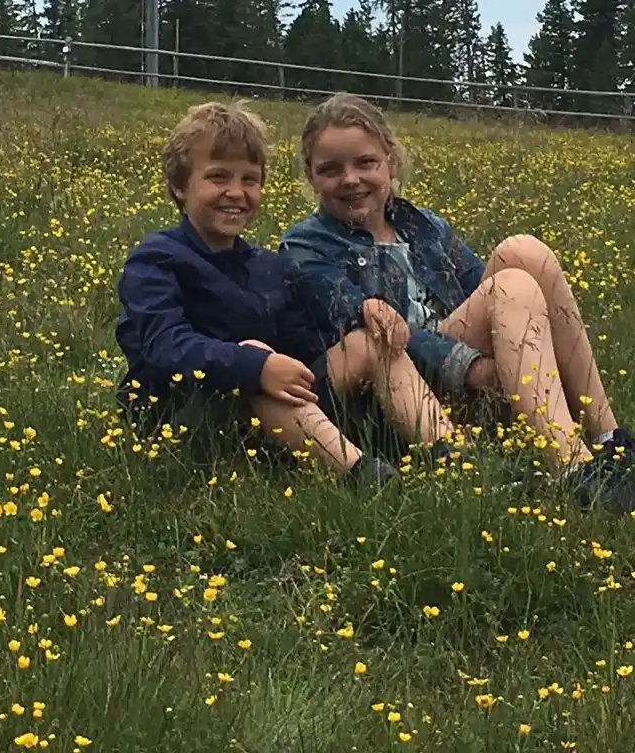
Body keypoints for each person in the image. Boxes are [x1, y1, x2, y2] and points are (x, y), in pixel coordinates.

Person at [279, 92, 635, 515]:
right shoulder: (306, 246)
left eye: (365, 163)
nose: (350, 179)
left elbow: (484, 293)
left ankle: (608, 439)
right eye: (331, 169)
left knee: (524, 253)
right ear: (310, 177)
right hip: (402, 394)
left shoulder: (424, 226)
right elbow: (366, 328)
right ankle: (571, 467)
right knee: (509, 283)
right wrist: (468, 363)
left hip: (462, 377)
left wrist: (497, 347)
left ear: (391, 163)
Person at [116, 100, 457, 486]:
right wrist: (255, 366)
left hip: (274, 412)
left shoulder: (265, 265)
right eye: (218, 177)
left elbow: (302, 340)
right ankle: (365, 476)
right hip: (185, 416)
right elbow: (164, 346)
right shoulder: (156, 259)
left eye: (249, 179)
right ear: (179, 187)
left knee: (366, 341)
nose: (235, 192)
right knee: (255, 355)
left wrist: (359, 323)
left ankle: (454, 454)